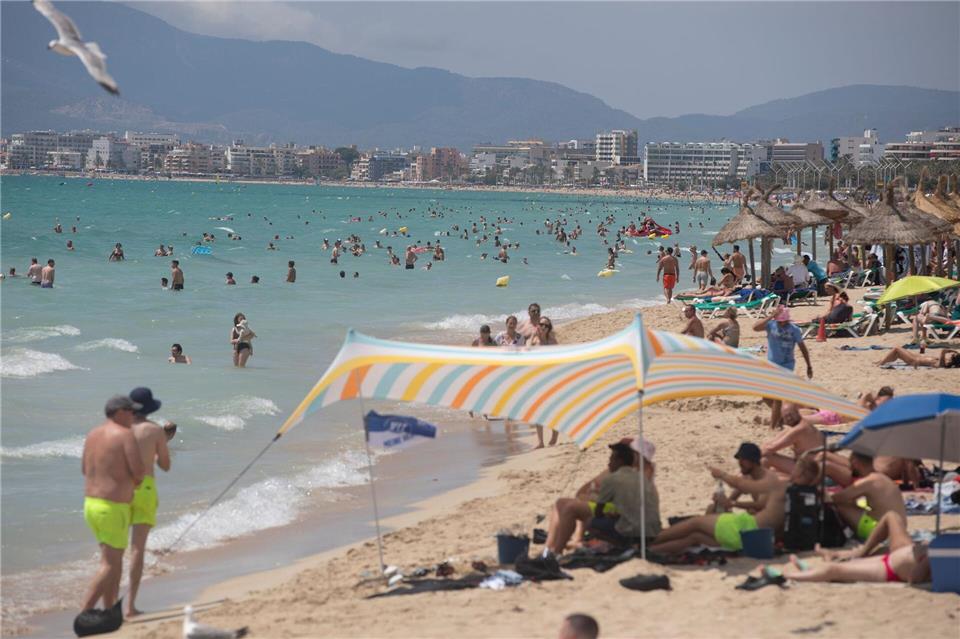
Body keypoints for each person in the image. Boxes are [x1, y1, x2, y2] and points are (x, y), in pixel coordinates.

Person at [650, 456, 821, 554]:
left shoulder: (783, 486)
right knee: (695, 537)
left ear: (800, 471)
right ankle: (651, 550)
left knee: (695, 523)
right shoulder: (812, 496)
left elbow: (747, 488)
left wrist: (723, 477)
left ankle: (647, 543)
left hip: (746, 530)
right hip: (759, 542)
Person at [80, 396, 146, 613]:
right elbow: (138, 474)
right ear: (119, 413)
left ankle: (109, 609)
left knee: (111, 560)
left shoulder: (92, 434)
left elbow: (84, 469)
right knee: (110, 564)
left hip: (91, 505)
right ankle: (85, 612)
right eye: (130, 411)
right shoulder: (125, 435)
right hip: (112, 507)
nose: (133, 416)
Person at [545, 441, 661, 555]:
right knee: (560, 503)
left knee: (571, 507)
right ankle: (549, 548)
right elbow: (585, 490)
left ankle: (556, 552)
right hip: (613, 509)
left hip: (621, 516)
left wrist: (595, 496)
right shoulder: (627, 469)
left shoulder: (643, 474)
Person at [774, 511, 930, 584]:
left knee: (834, 571)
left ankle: (786, 576)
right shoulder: (948, 550)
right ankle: (811, 570)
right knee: (891, 516)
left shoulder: (941, 558)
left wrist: (927, 558)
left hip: (891, 569)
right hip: (900, 554)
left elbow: (914, 579)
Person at [126, 388, 173, 618]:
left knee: (112, 553)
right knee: (137, 549)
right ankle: (130, 606)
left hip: (119, 490)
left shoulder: (117, 429)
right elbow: (165, 465)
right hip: (144, 489)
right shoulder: (153, 430)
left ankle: (106, 604)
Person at [753, 306, 812, 429]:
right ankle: (780, 418)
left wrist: (808, 365)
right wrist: (771, 316)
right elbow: (755, 327)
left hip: (786, 366)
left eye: (784, 321)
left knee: (777, 398)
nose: (782, 323)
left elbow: (802, 347)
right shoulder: (771, 325)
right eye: (780, 321)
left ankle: (773, 427)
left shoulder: (794, 330)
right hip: (771, 366)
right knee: (766, 397)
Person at [828, 452, 907, 542]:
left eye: (850, 462)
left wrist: (821, 492)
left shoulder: (867, 481)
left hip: (882, 533)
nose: (850, 467)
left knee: (840, 505)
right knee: (856, 504)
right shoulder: (883, 478)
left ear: (855, 462)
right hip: (899, 530)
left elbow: (835, 499)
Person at [709, 443, 770, 514]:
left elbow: (761, 506)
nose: (740, 463)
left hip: (766, 520)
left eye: (743, 460)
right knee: (711, 508)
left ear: (753, 462)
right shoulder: (749, 476)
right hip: (756, 516)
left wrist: (732, 503)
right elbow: (734, 494)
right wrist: (722, 502)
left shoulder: (767, 480)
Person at [876, 347, 959, 369]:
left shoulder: (944, 364)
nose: (952, 354)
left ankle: (881, 363)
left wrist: (945, 352)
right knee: (896, 354)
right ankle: (882, 361)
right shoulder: (946, 361)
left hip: (914, 361)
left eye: (954, 355)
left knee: (896, 349)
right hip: (915, 357)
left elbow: (943, 351)